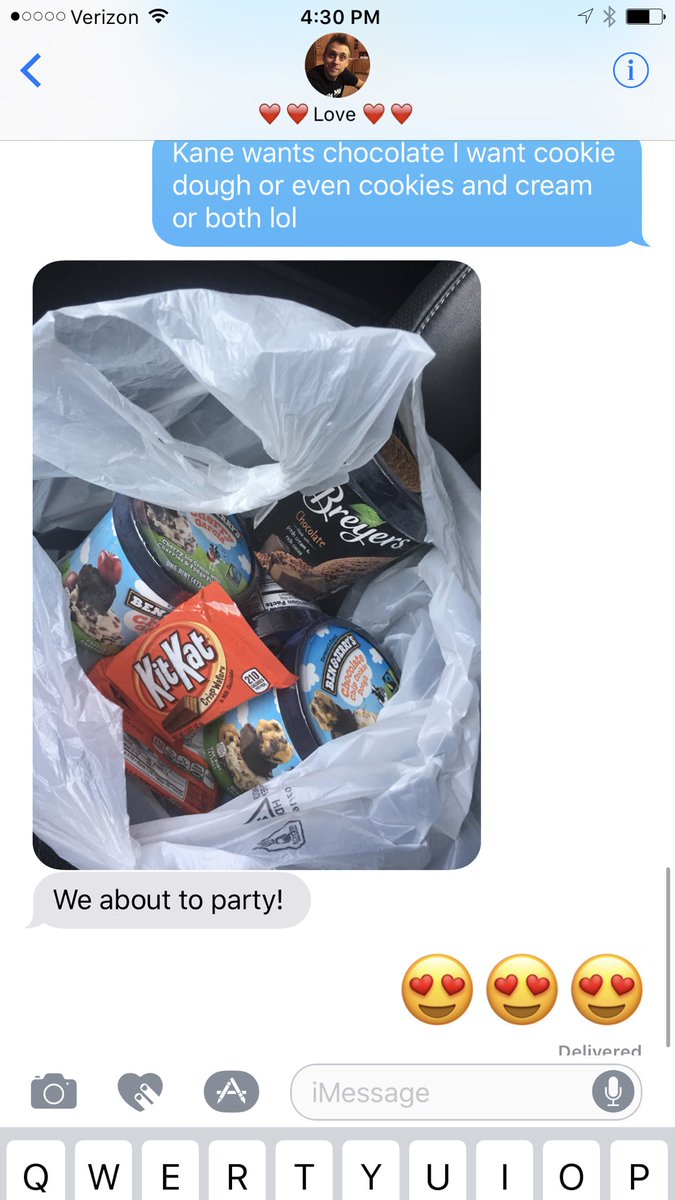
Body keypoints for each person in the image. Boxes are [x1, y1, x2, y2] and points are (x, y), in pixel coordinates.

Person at [306, 34, 363, 98]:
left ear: (347, 63)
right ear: (324, 57)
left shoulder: (343, 73)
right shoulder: (312, 81)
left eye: (342, 57)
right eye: (331, 55)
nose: (336, 62)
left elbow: (361, 84)